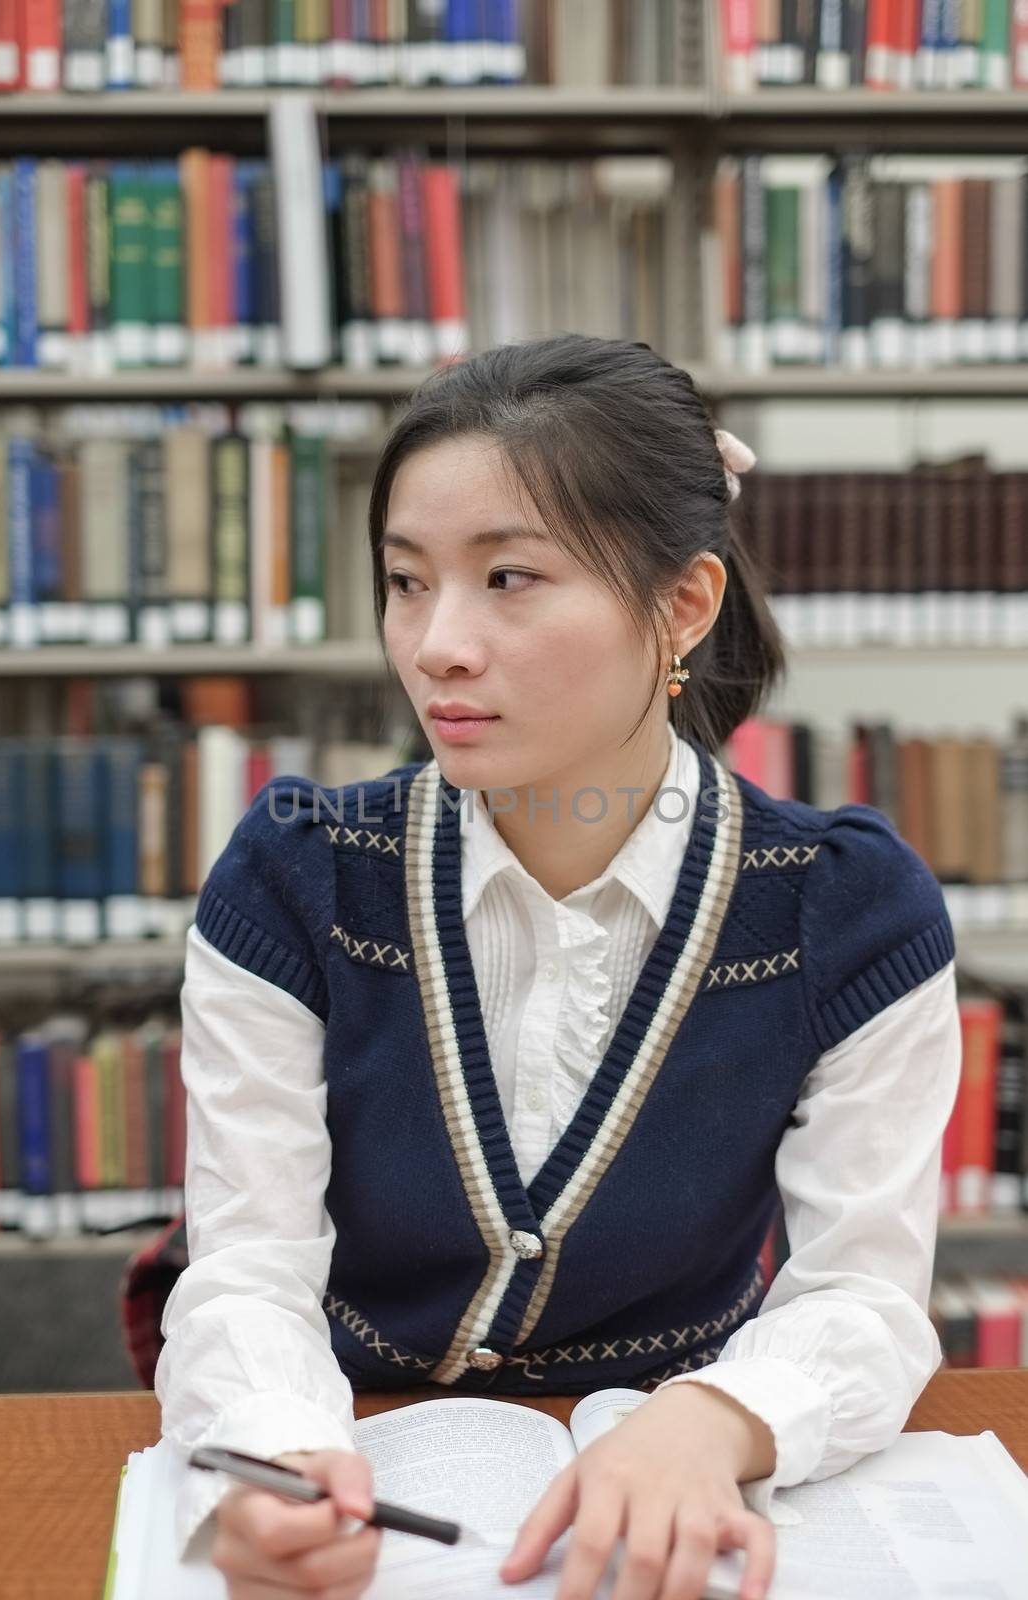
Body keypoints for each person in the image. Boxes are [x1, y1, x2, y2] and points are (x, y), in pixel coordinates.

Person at [151, 333, 960, 1600]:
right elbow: (246, 1263)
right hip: (361, 1436)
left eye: (508, 578)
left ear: (682, 605)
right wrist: (275, 1451)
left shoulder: (844, 911)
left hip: (679, 1464)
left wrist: (715, 1420)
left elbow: (862, 1289)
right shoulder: (298, 877)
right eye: (405, 581)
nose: (435, 646)